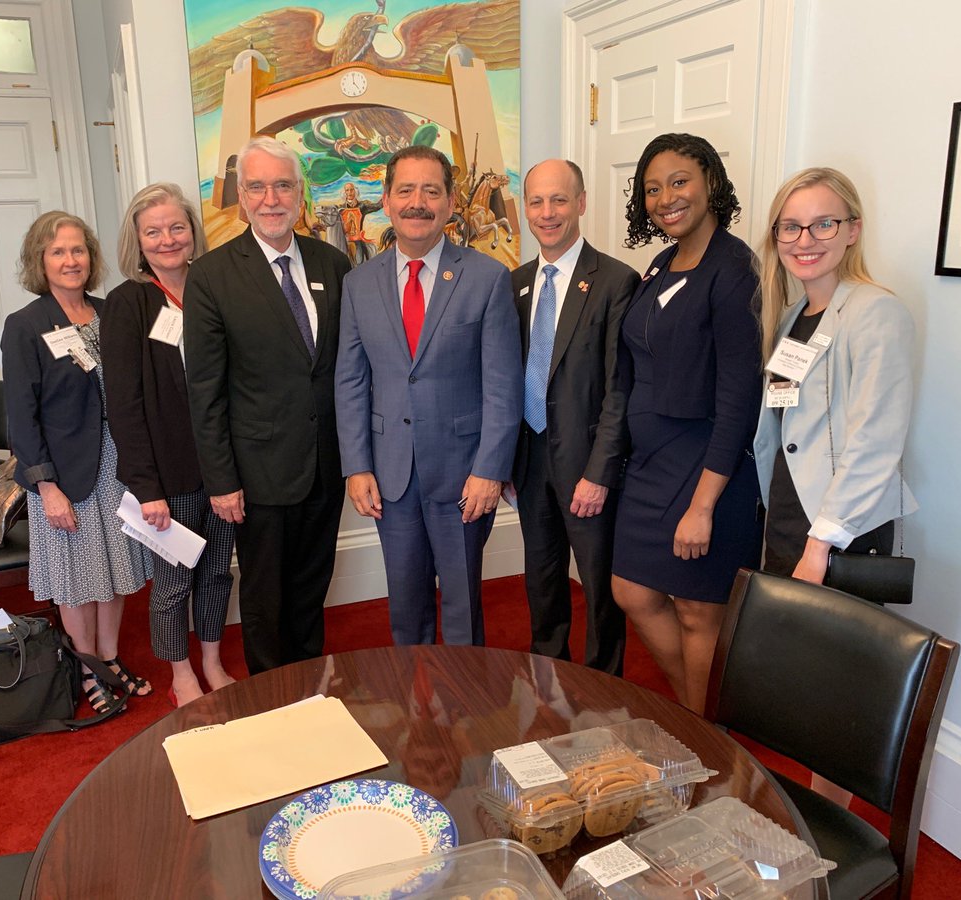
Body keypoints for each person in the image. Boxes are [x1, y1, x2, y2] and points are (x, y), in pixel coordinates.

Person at [753, 167, 917, 807]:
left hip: (838, 526)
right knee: (800, 673)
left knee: (835, 684)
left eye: (823, 224)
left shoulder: (876, 312)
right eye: (791, 227)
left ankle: (825, 824)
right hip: (788, 512)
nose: (805, 240)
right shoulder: (794, 314)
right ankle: (801, 809)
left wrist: (821, 543)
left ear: (852, 230)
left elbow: (877, 439)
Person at [335, 145, 522, 646]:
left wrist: (490, 470)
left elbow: (503, 385)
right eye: (406, 191)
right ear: (387, 200)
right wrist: (356, 466)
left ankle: (467, 694)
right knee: (405, 605)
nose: (417, 202)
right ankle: (411, 692)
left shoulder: (487, 278)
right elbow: (349, 381)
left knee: (463, 608)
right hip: (389, 476)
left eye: (431, 191)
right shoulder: (358, 284)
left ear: (451, 201)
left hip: (464, 475)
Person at [184, 137, 351, 676]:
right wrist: (221, 480)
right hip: (257, 473)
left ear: (300, 194)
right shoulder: (212, 275)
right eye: (257, 187)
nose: (271, 199)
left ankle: (309, 687)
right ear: (241, 196)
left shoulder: (333, 263)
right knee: (264, 597)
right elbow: (205, 389)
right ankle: (274, 699)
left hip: (325, 463)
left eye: (282, 186)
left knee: (311, 587)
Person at [611, 133, 763, 714]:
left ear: (711, 183)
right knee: (632, 589)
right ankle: (698, 713)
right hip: (652, 463)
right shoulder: (661, 263)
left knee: (699, 609)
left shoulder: (735, 270)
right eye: (653, 189)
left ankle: (704, 730)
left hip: (706, 462)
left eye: (679, 182)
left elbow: (739, 398)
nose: (665, 198)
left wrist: (703, 506)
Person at [2, 211, 153, 713]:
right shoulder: (26, 326)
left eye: (78, 250)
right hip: (65, 472)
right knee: (78, 577)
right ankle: (87, 666)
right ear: (40, 261)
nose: (71, 260)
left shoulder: (112, 312)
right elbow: (21, 417)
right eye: (58, 251)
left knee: (116, 567)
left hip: (119, 464)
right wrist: (46, 486)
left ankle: (110, 658)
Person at [101, 182, 238, 707]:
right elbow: (124, 405)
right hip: (167, 476)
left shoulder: (213, 289)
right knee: (174, 582)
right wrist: (146, 487)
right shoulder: (128, 302)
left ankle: (212, 661)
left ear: (192, 232)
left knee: (217, 574)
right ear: (137, 241)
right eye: (153, 231)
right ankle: (181, 673)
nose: (168, 239)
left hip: (221, 469)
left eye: (177, 227)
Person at [507, 159, 640, 674]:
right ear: (525, 209)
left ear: (581, 203)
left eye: (559, 200)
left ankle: (604, 687)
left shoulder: (615, 281)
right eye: (536, 201)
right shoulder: (516, 284)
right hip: (530, 460)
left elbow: (619, 389)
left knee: (600, 587)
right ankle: (549, 678)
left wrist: (599, 473)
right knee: (541, 580)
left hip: (587, 463)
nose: (547, 212)